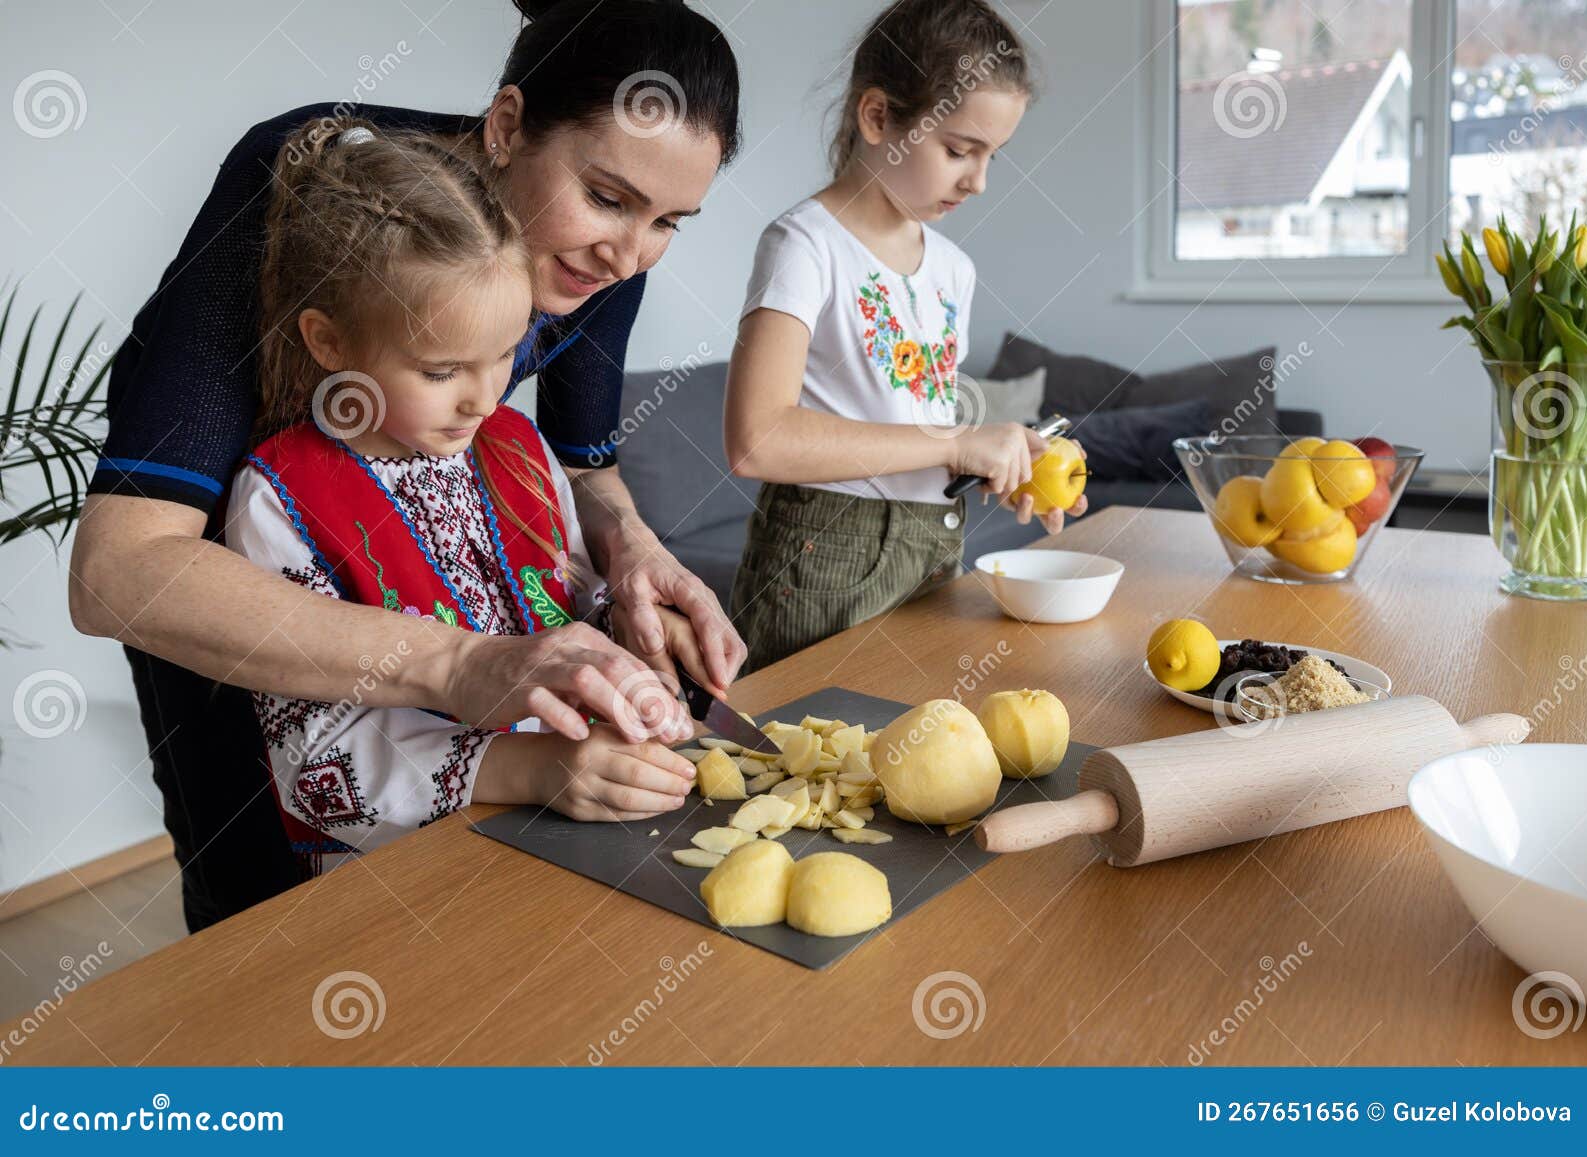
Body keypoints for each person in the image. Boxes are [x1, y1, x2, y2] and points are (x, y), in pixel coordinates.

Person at [68, 0, 744, 928]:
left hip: (453, 657)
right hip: (232, 595)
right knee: (268, 902)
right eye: (608, 198)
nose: (630, 256)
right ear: (506, 126)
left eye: (672, 221)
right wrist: (463, 664)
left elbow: (586, 474)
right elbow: (121, 572)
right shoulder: (300, 192)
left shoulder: (605, 256)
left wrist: (633, 557)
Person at [230, 118, 704, 877]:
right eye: (444, 370)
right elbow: (316, 766)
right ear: (330, 341)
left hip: (581, 832)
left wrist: (634, 671)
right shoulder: (280, 500)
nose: (484, 399)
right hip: (410, 875)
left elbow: (572, 608)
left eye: (505, 354)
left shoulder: (515, 444)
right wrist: (535, 771)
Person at [723, 0, 1086, 673]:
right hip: (824, 559)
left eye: (991, 157)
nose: (978, 181)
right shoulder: (805, 246)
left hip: (934, 544)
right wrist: (953, 440)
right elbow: (757, 438)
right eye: (958, 150)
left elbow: (905, 427)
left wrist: (990, 464)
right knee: (805, 760)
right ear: (878, 117)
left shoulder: (955, 269)